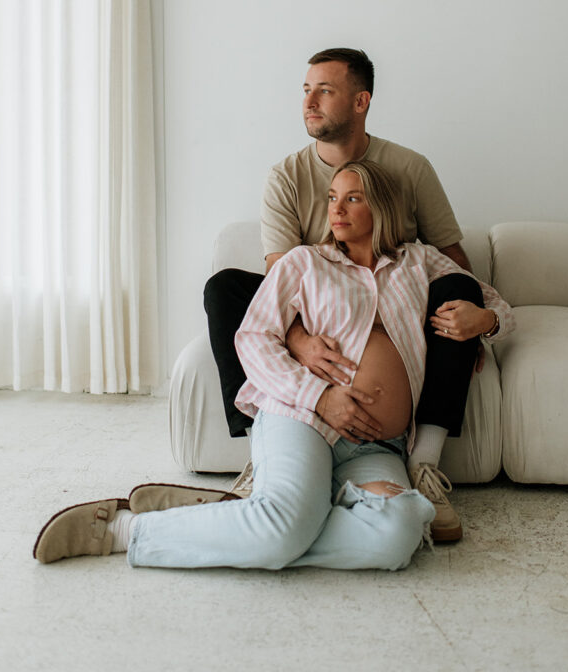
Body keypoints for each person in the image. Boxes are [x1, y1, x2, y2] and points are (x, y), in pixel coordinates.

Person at [34, 161, 513, 570]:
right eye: (331, 198)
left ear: (382, 206)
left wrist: (485, 319)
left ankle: (252, 517)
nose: (336, 209)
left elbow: (495, 303)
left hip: (377, 446)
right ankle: (124, 530)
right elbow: (255, 337)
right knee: (283, 529)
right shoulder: (305, 263)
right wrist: (321, 397)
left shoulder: (419, 262)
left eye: (352, 199)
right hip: (302, 419)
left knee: (400, 534)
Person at [203, 48, 490, 541]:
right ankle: (261, 455)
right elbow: (279, 284)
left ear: (361, 102)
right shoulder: (287, 176)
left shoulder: (408, 168)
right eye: (306, 90)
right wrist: (300, 343)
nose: (309, 102)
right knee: (226, 288)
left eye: (325, 91)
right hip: (313, 306)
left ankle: (423, 465)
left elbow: (454, 259)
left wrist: (475, 326)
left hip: (393, 297)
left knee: (459, 287)